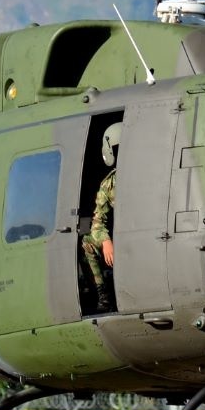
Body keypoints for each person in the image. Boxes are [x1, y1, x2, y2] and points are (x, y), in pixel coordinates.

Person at [82, 123, 121, 313]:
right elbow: (97, 223)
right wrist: (106, 240)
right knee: (87, 242)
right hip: (121, 236)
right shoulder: (108, 184)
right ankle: (104, 296)